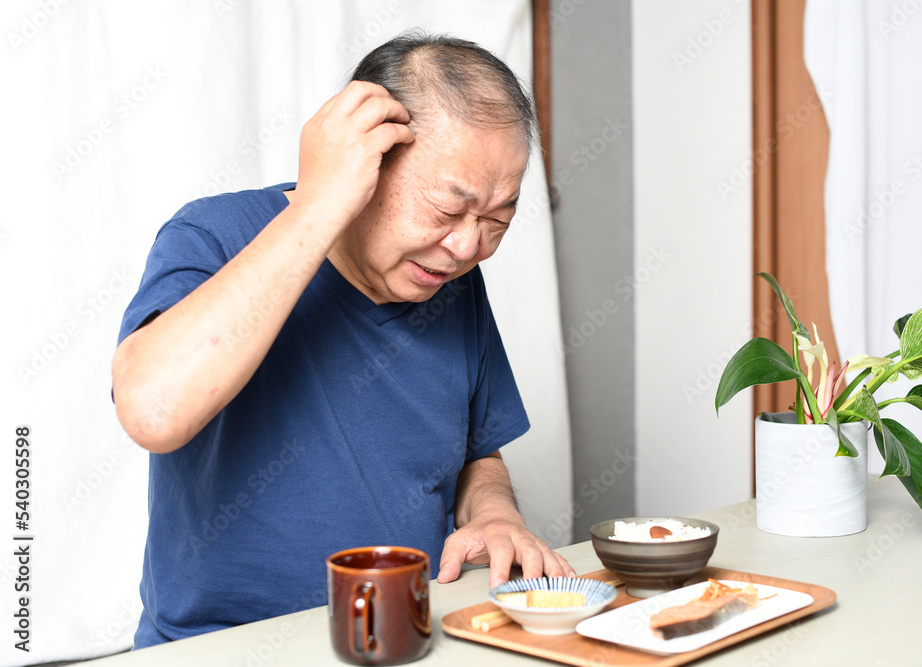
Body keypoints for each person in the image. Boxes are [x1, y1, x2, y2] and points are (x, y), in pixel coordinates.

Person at [111, 32, 574, 648]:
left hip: (401, 637)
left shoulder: (450, 283)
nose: (467, 247)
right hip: (220, 646)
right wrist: (318, 205)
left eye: (496, 220)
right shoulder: (214, 235)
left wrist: (494, 513)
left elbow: (476, 451)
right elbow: (152, 411)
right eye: (445, 209)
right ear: (367, 161)